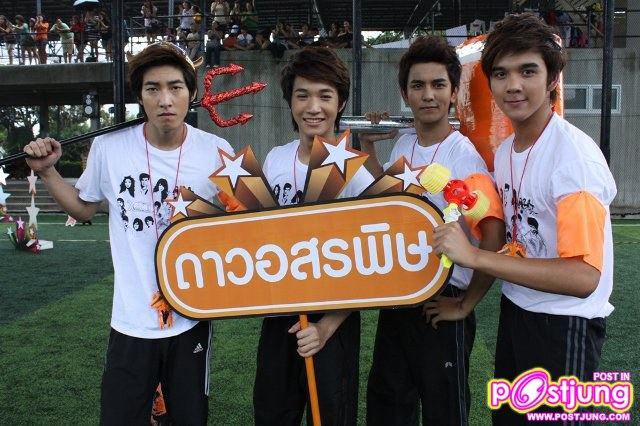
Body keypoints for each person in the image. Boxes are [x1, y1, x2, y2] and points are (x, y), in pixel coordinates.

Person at [23, 42, 235, 425]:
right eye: (153, 88)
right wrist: (48, 171)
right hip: (130, 320)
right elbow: (83, 208)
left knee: (189, 419)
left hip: (191, 317)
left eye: (175, 87)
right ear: (140, 96)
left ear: (191, 93)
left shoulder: (217, 151)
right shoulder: (109, 147)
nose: (165, 99)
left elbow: (239, 223)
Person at [432, 14, 617, 424]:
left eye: (528, 71)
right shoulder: (507, 151)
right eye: (501, 73)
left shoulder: (574, 160)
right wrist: (466, 304)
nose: (513, 85)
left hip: (565, 325)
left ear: (552, 79)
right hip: (519, 311)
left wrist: (473, 257)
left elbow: (583, 276)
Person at [358, 36, 505, 425]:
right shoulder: (403, 143)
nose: (428, 95)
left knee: (444, 410)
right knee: (388, 405)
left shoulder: (465, 156)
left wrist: (467, 304)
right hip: (400, 294)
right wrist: (368, 147)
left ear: (454, 92)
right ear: (404, 93)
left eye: (438, 84)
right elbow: (390, 199)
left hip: (442, 298)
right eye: (418, 85)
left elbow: (493, 234)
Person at [253, 47, 366, 426]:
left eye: (325, 95)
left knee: (333, 416)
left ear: (341, 102)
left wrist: (327, 326)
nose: (313, 107)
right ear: (290, 101)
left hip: (334, 319)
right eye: (302, 95)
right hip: (279, 313)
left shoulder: (356, 171)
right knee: (272, 413)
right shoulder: (275, 159)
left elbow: (372, 263)